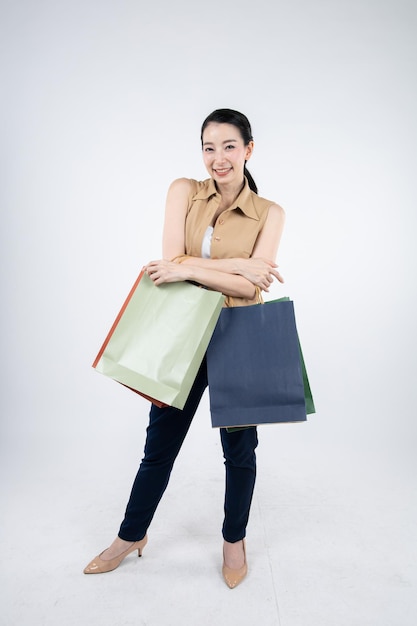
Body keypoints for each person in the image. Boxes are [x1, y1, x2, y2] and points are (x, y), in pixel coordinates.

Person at [84, 108, 286, 588]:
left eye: (229, 146)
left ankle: (233, 543)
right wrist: (238, 265)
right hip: (182, 334)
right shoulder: (183, 191)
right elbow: (168, 264)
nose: (218, 158)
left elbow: (244, 288)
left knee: (240, 450)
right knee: (160, 445)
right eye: (209, 147)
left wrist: (190, 268)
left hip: (241, 335)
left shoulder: (271, 213)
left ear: (249, 149)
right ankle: (130, 535)